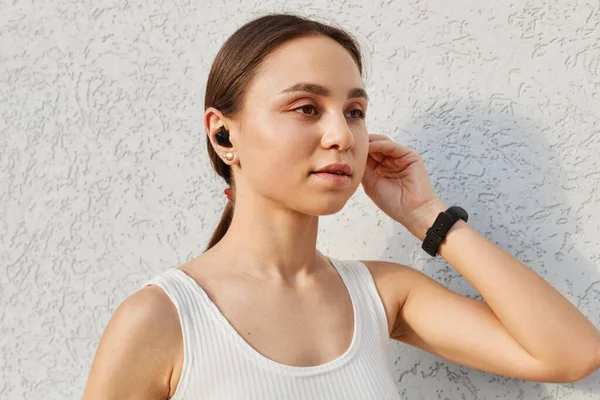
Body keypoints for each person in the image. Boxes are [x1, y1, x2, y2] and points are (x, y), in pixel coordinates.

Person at [82, 13, 600, 399]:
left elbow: (571, 354)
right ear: (223, 134)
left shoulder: (381, 295)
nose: (341, 136)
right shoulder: (162, 319)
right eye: (306, 108)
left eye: (354, 111)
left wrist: (425, 215)